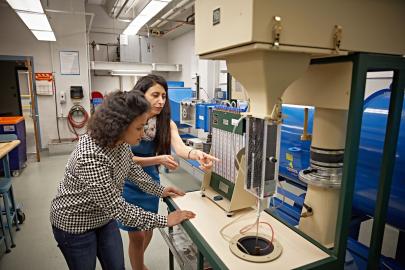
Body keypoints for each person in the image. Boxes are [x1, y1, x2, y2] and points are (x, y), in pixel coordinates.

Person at [50, 90, 195, 270]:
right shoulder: (90, 156)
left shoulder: (120, 142)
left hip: (104, 218)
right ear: (118, 125)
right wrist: (165, 220)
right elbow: (118, 208)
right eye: (138, 128)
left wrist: (160, 190)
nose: (142, 134)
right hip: (75, 224)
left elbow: (132, 169)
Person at [118, 75, 218, 270]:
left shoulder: (166, 123)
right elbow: (124, 159)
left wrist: (197, 154)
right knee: (136, 235)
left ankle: (139, 261)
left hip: (151, 181)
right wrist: (158, 159)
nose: (161, 101)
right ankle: (138, 267)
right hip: (128, 180)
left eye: (163, 96)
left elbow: (180, 148)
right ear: (141, 94)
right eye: (155, 95)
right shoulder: (129, 120)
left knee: (148, 230)